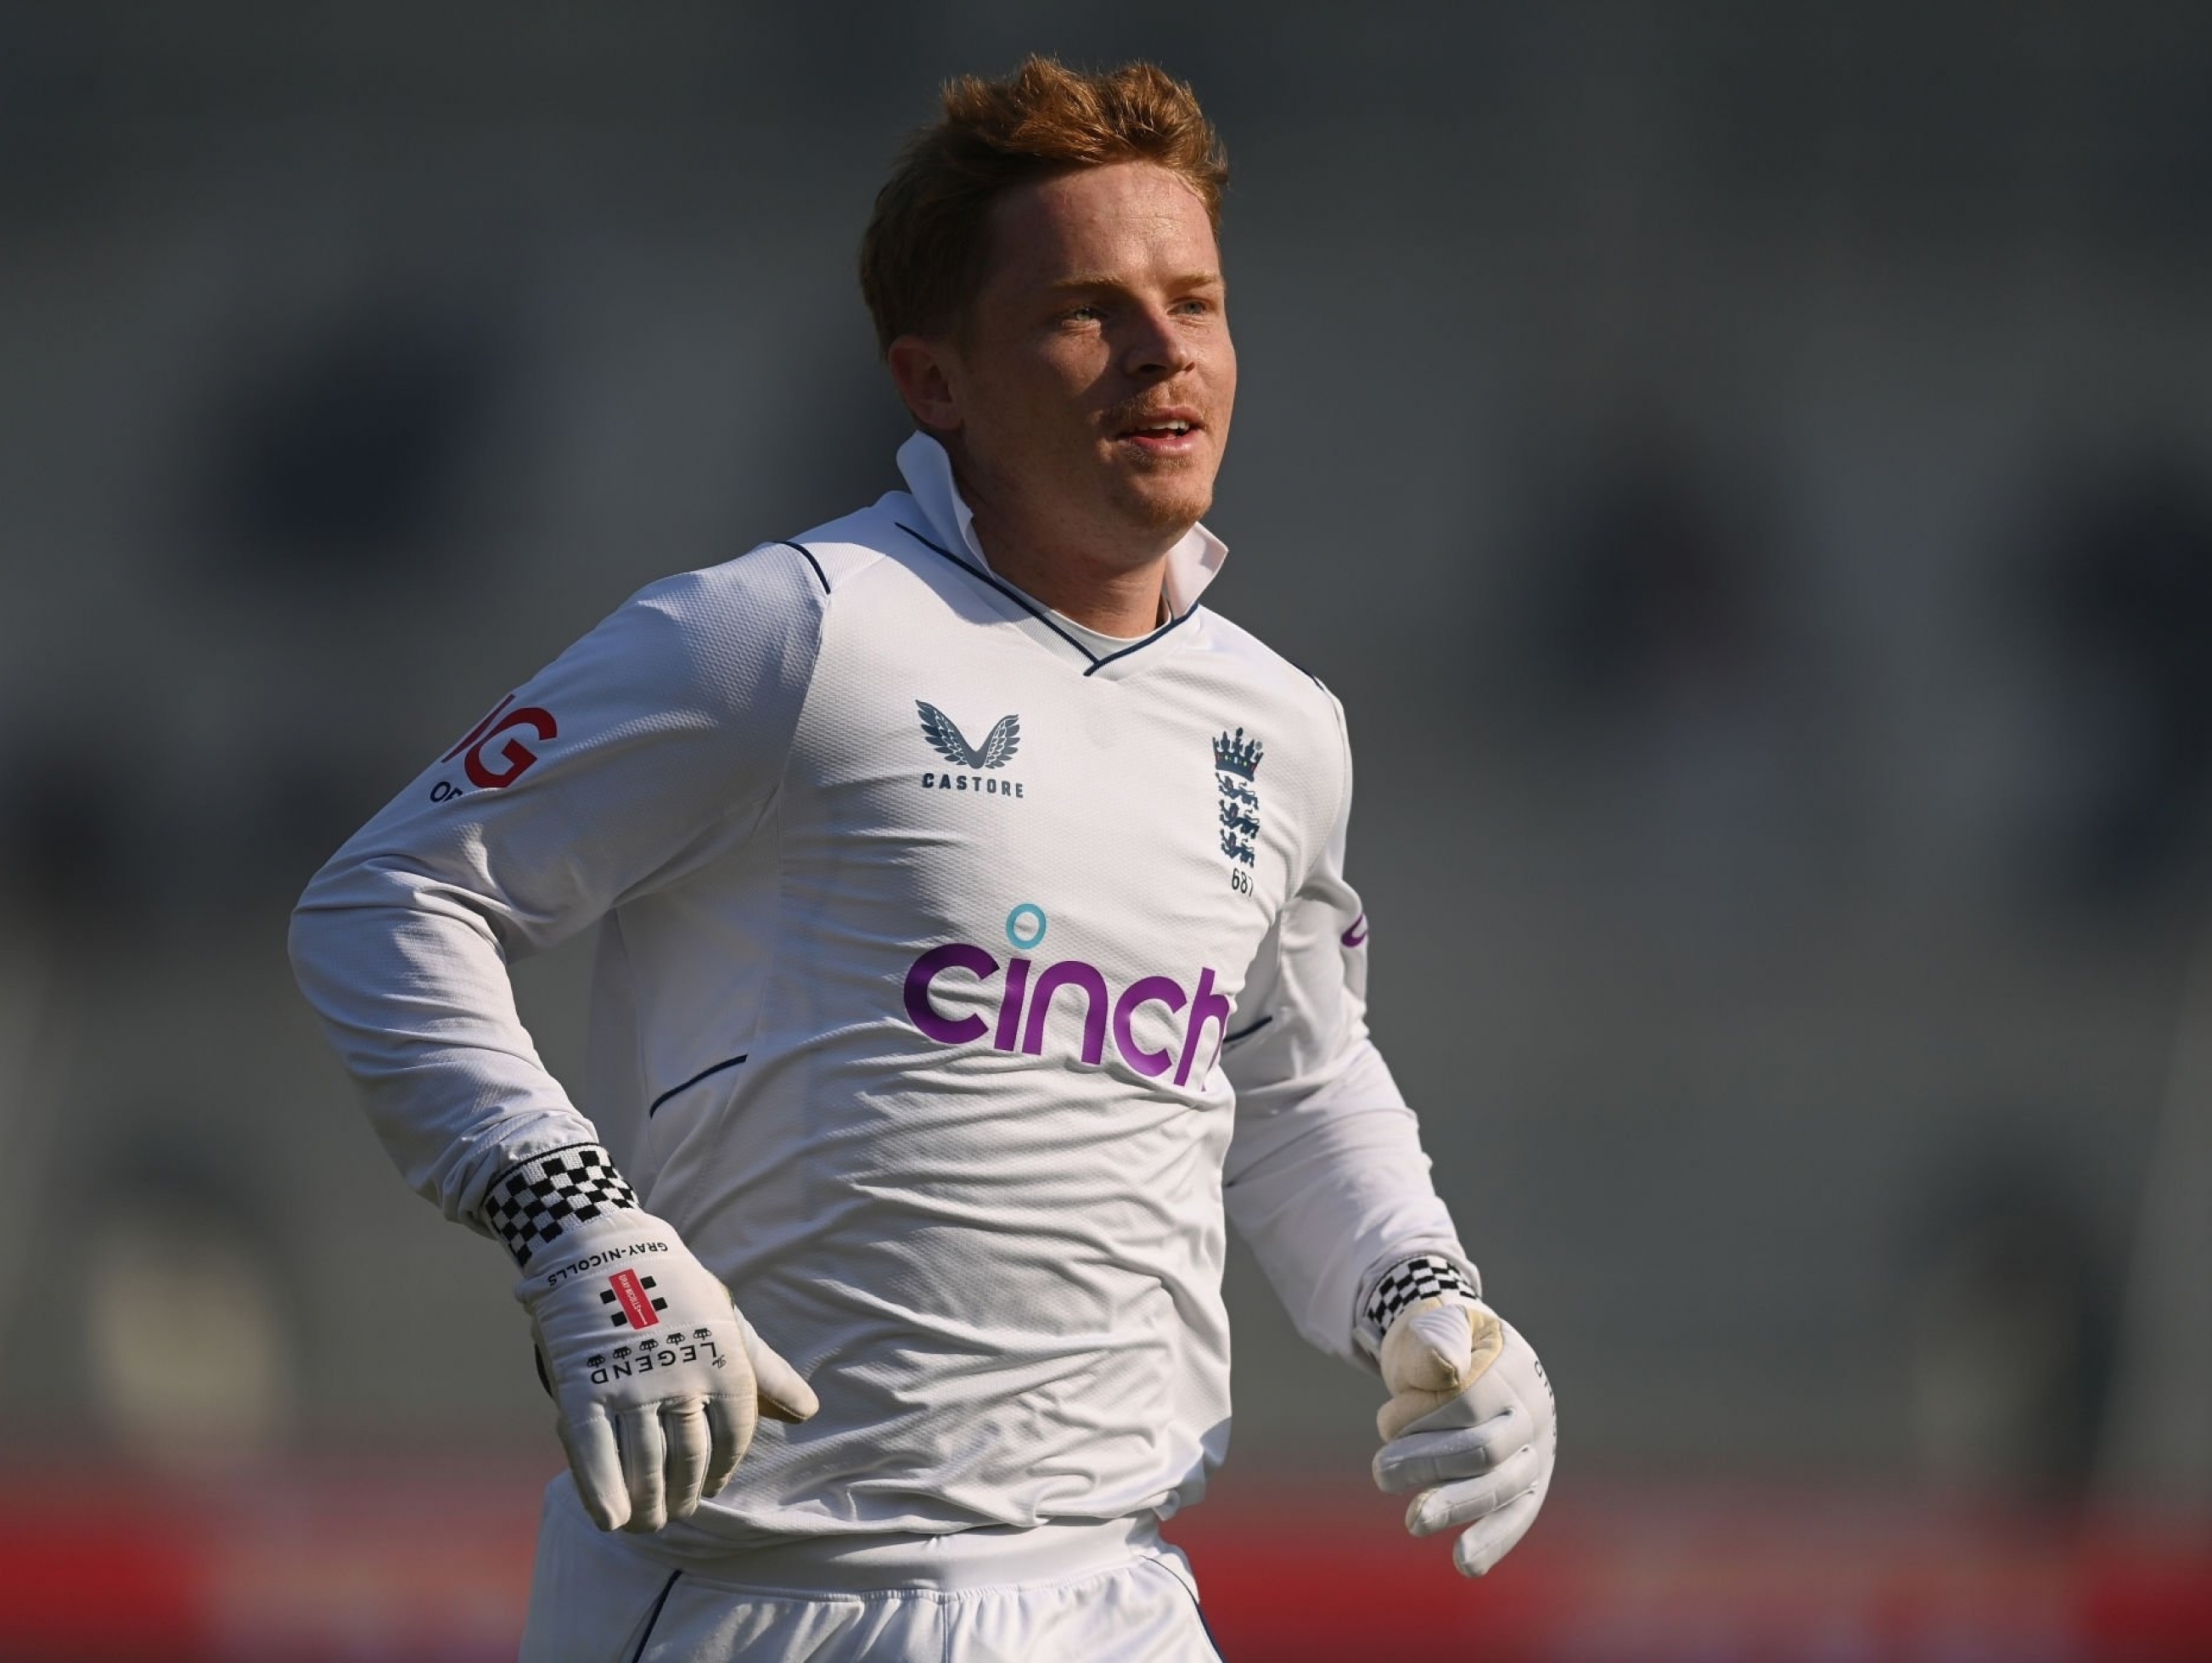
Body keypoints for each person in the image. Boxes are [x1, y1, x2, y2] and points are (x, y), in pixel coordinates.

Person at [290, 55, 1555, 1662]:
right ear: (935, 380)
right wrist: (580, 1231)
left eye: (1196, 302)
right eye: (1086, 312)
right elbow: (390, 897)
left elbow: (1291, 1074)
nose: (1164, 351)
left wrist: (1427, 1291)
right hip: (759, 1602)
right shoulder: (785, 636)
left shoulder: (1282, 724)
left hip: (1117, 1597)